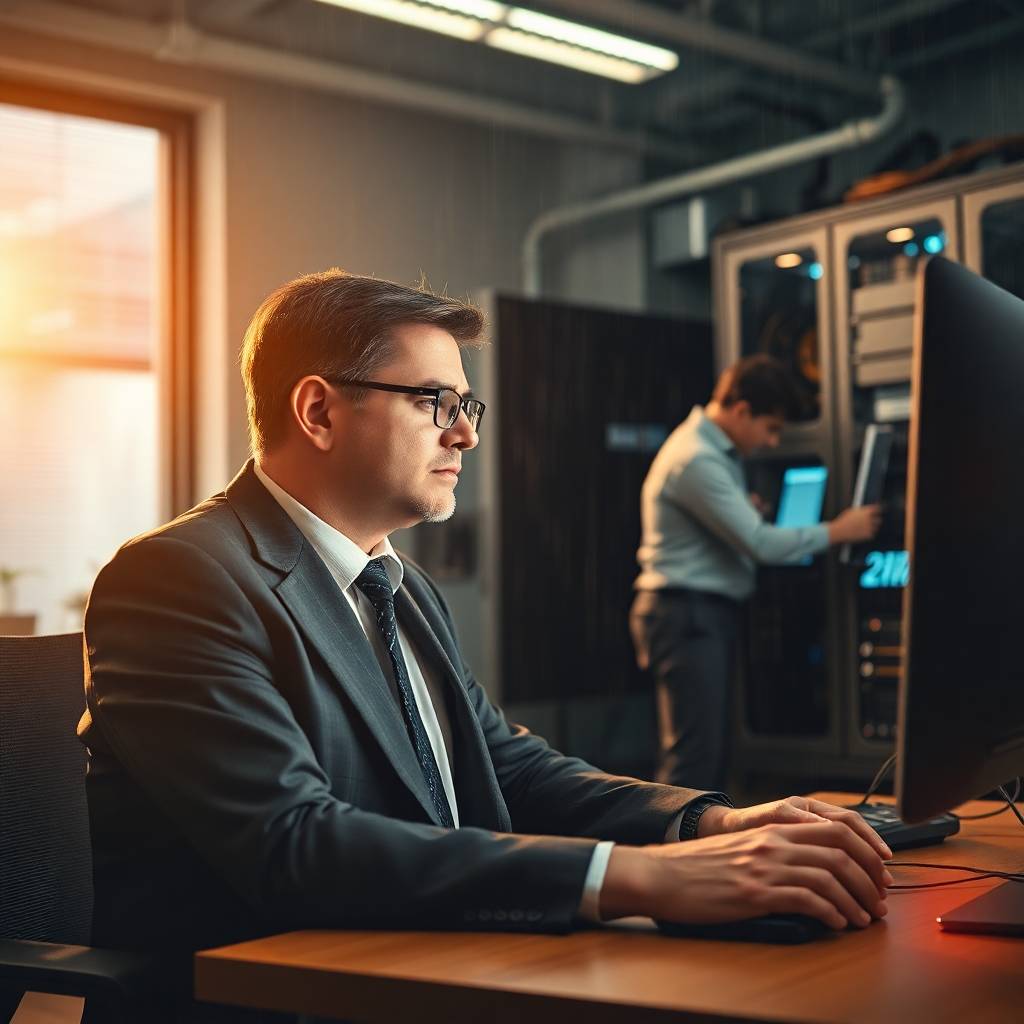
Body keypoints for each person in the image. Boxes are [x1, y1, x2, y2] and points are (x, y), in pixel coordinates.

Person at [80, 273, 891, 1020]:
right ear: (319, 411)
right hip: (285, 995)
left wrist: (707, 824)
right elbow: (293, 845)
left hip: (426, 962)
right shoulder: (176, 579)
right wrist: (633, 877)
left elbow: (503, 763)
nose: (465, 436)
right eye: (436, 401)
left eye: (468, 405)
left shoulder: (400, 583)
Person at [630, 354, 882, 792]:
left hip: (693, 613)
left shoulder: (710, 452)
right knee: (694, 760)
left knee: (706, 753)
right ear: (741, 410)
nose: (771, 441)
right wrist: (840, 530)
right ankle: (669, 858)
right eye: (770, 427)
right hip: (687, 613)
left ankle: (692, 854)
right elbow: (762, 544)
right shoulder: (697, 459)